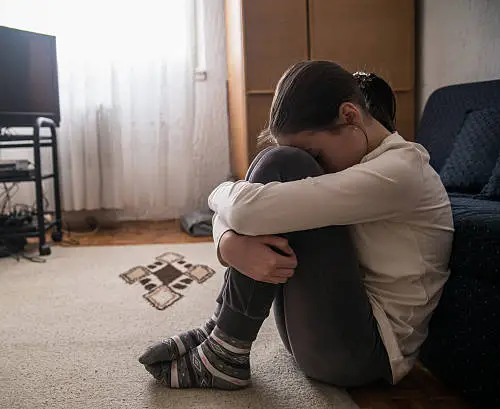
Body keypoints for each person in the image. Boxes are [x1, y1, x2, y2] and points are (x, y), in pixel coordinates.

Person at [138, 60, 454, 390]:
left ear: (350, 116)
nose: (314, 166)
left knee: (283, 164)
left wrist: (223, 225)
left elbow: (246, 210)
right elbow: (247, 209)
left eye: (315, 153)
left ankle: (226, 345)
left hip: (365, 356)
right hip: (323, 336)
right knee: (272, 164)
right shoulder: (367, 163)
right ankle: (222, 332)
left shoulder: (399, 173)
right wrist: (229, 242)